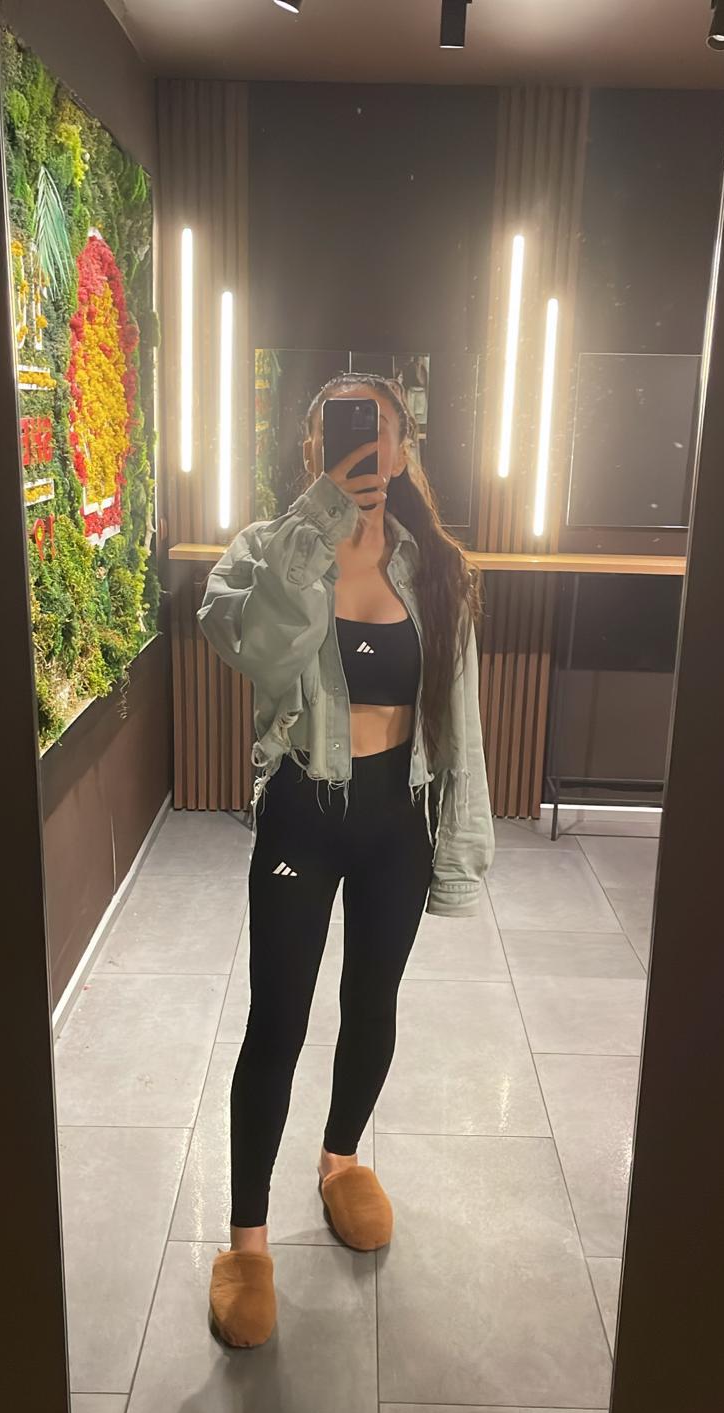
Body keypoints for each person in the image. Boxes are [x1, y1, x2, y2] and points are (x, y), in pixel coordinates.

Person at [197, 373, 495, 1348]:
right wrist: (319, 522)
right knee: (278, 1019)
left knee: (373, 1004)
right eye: (340, 431)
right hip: (303, 815)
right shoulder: (266, 550)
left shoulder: (435, 566)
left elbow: (458, 716)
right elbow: (258, 650)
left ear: (405, 447)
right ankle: (246, 1243)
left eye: (381, 429)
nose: (365, 446)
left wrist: (460, 843)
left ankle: (340, 1160)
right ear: (311, 449)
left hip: (396, 822)